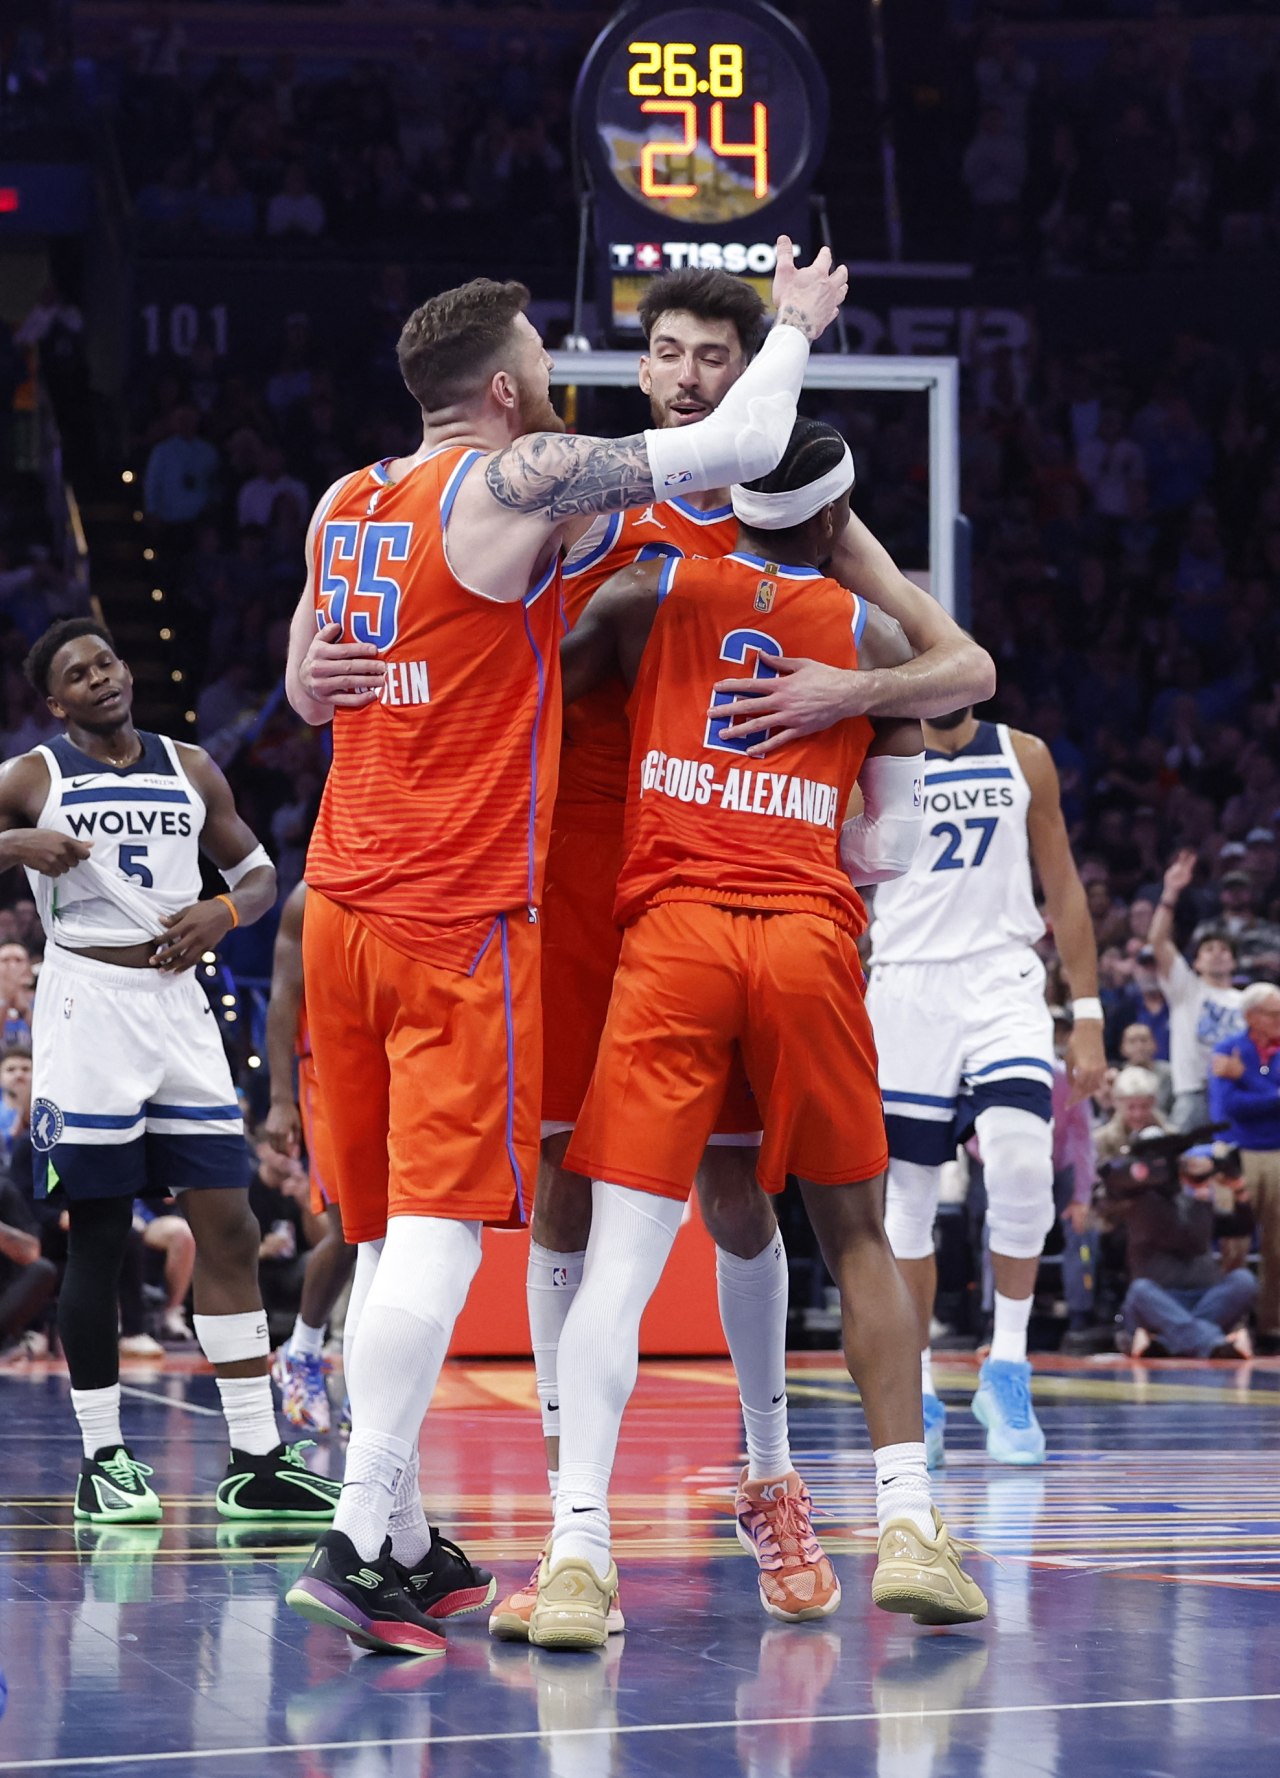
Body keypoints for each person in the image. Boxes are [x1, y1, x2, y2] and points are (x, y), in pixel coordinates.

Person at [283, 242, 852, 1658]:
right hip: (451, 908)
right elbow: (734, 440)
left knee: (377, 1227)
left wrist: (339, 678)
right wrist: (790, 326)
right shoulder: (516, 476)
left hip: (341, 893)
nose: (560, 376)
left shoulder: (344, 501)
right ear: (498, 386)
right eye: (544, 359)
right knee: (430, 1233)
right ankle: (361, 1537)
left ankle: (407, 1535)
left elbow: (304, 684)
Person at [485, 267, 1000, 1642]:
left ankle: (671, 1506)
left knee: (681, 1215)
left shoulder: (663, 583)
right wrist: (864, 706)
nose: (692, 377)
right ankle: (886, 1509)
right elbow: (937, 721)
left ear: (752, 389)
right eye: (669, 351)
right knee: (761, 1213)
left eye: (721, 354)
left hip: (668, 895)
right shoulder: (645, 506)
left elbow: (527, 670)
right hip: (648, 886)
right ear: (640, 366)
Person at [0, 616, 339, 1527]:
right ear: (55, 700)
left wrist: (223, 913)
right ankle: (104, 1460)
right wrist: (17, 846)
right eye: (79, 672)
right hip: (84, 1008)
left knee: (226, 1226)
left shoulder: (191, 765)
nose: (102, 677)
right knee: (101, 1235)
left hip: (179, 1012)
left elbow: (261, 871)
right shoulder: (32, 777)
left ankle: (256, 1463)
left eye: (106, 660)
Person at [869, 706, 1107, 1469]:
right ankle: (921, 1385)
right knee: (907, 1200)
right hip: (907, 985)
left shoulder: (1023, 753)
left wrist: (1090, 1013)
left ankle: (1008, 1363)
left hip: (1003, 980)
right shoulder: (872, 757)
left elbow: (1063, 887)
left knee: (1022, 1168)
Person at [264, 881, 355, 1434]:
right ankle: (302, 1350)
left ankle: (367, 1388)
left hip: (397, 1061)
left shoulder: (409, 865)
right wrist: (280, 1099)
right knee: (350, 1229)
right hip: (326, 1071)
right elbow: (282, 997)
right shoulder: (309, 897)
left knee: (401, 1234)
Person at [1108, 1142, 1256, 1360]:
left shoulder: (1194, 1202)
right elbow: (1193, 1241)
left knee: (1244, 1281)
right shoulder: (1145, 1206)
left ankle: (1167, 1343)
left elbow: (1241, 1227)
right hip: (1161, 1302)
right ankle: (1213, 1343)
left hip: (1206, 1299)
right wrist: (1201, 1199)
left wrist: (1238, 1188)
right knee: (1140, 1291)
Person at [1149, 850, 1244, 1130]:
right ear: (1197, 962)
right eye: (1209, 949)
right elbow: (1157, 941)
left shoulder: (1246, 1001)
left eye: (1224, 950)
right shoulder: (1186, 987)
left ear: (1235, 962)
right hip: (1194, 1091)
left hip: (1236, 1090)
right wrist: (1170, 893)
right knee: (1186, 1165)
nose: (1217, 954)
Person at [1208, 981, 1280, 1351]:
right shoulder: (1227, 1049)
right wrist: (1269, 1096)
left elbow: (1248, 1098)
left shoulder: (1238, 1062)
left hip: (1278, 1153)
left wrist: (1246, 1079)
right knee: (1232, 1240)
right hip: (1236, 1152)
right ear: (1251, 1016)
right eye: (1273, 1012)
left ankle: (1272, 1325)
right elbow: (1230, 1107)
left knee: (1278, 1245)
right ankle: (1230, 1321)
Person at [1094, 1066, 1176, 1164]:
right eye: (1131, 1107)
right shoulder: (1100, 1142)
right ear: (1117, 1104)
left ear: (1154, 1103)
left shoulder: (1171, 1138)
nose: (1138, 1114)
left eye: (1145, 1106)